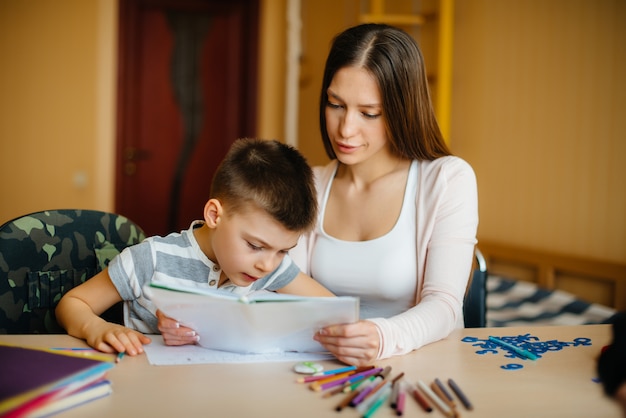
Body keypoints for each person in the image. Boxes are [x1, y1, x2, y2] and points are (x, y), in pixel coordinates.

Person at [159, 23, 478, 366]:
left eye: (369, 113)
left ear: (402, 111)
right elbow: (271, 287)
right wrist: (194, 320)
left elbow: (444, 305)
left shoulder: (446, 179)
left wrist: (382, 337)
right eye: (335, 104)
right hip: (318, 366)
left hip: (419, 365)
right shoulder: (311, 184)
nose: (346, 129)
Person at [55, 138, 334, 356]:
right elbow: (72, 303)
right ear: (215, 215)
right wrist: (98, 328)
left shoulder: (267, 267)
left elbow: (334, 309)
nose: (268, 265)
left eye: (284, 250)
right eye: (254, 245)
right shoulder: (151, 258)